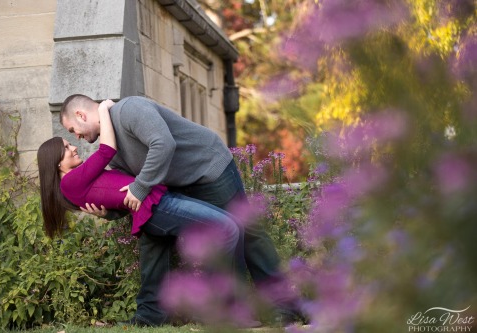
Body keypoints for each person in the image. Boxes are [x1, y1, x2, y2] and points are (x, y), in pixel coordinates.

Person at [59, 94, 306, 327]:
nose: (77, 137)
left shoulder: (130, 109)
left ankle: (282, 305)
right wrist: (109, 213)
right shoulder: (113, 148)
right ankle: (151, 315)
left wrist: (142, 185)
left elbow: (163, 144)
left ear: (81, 115)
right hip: (174, 186)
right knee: (152, 235)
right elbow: (128, 193)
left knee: (246, 231)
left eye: (73, 130)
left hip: (208, 170)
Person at [37, 99, 244, 285]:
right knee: (227, 228)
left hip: (157, 200)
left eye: (71, 138)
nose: (74, 145)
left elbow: (112, 192)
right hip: (155, 208)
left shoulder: (78, 177)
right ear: (56, 163)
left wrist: (108, 213)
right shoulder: (70, 183)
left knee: (230, 227)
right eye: (66, 146)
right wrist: (103, 109)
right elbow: (107, 150)